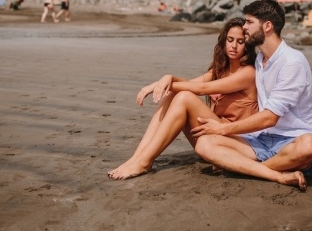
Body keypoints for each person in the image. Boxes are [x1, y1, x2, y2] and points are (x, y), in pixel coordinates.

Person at [192, 0, 312, 191]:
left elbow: (270, 117)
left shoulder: (292, 62)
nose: (244, 27)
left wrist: (222, 128)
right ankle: (275, 174)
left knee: (311, 145)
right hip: (261, 140)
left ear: (267, 26)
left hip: (292, 141)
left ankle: (246, 168)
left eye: (249, 22)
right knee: (204, 144)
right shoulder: (260, 60)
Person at [107, 17, 258, 180]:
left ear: (247, 45)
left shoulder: (248, 73)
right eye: (230, 40)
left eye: (240, 42)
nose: (234, 46)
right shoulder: (219, 70)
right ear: (224, 41)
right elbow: (190, 83)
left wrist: (163, 83)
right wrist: (167, 79)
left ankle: (144, 162)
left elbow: (203, 89)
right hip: (213, 134)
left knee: (184, 97)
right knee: (172, 93)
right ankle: (138, 157)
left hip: (236, 141)